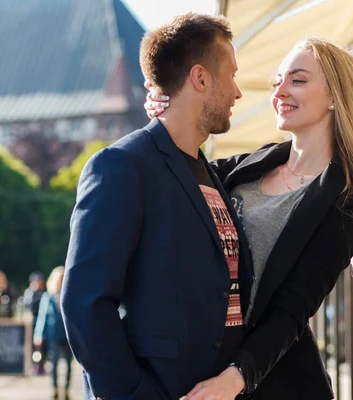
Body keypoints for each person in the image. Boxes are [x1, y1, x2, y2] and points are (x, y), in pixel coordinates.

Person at [145, 37, 353, 399]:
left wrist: (236, 378)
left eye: (297, 80)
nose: (280, 91)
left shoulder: (342, 206)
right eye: (277, 82)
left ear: (335, 97)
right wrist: (168, 115)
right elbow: (179, 177)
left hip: (269, 385)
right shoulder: (249, 166)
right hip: (201, 366)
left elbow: (291, 312)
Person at [61, 13, 253, 400]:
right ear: (200, 78)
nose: (238, 92)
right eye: (231, 74)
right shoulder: (120, 166)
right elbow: (85, 303)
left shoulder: (208, 173)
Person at [34, 267, 71, 399]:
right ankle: (55, 387)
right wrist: (38, 334)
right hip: (53, 334)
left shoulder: (69, 294)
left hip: (67, 335)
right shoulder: (48, 296)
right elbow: (42, 316)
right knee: (54, 363)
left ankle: (66, 388)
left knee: (68, 363)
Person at [24, 271, 47, 375]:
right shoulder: (29, 293)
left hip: (41, 322)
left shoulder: (44, 294)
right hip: (31, 323)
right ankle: (34, 365)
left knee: (42, 347)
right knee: (32, 346)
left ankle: (40, 365)